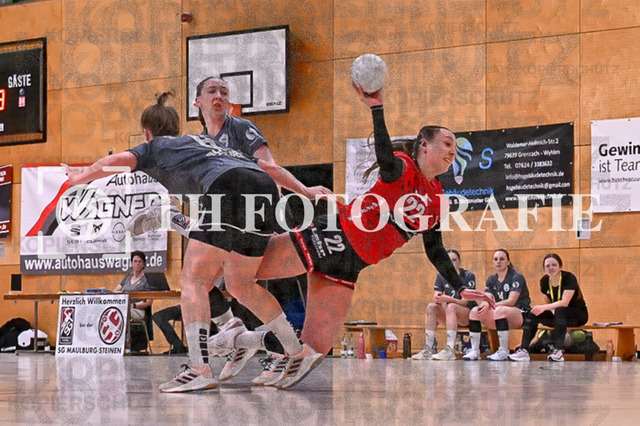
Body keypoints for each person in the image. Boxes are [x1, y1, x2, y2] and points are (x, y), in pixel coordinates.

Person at [210, 84, 495, 388]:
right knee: (240, 276)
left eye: (455, 148)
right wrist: (376, 109)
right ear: (424, 146)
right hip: (331, 236)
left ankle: (247, 342)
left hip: (350, 265)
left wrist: (460, 287)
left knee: (314, 350)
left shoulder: (438, 199)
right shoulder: (402, 166)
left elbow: (435, 248)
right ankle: (228, 323)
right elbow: (385, 158)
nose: (453, 151)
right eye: (447, 143)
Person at [65, 92, 304, 393]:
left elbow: (118, 162)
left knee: (193, 279)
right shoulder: (204, 142)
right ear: (177, 128)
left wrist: (81, 176)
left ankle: (199, 368)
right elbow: (270, 169)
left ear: (146, 132)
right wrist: (306, 191)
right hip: (264, 189)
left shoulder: (157, 147)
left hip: (228, 190)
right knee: (241, 283)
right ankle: (294, 351)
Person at [509, 253, 588, 362]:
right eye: (548, 266)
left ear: (560, 266)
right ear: (544, 268)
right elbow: (550, 304)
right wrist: (543, 309)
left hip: (577, 316)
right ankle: (524, 350)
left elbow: (564, 303)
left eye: (554, 265)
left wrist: (544, 307)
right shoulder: (544, 281)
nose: (551, 268)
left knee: (560, 310)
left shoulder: (569, 278)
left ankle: (558, 351)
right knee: (533, 313)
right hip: (558, 317)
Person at [462, 249, 530, 361]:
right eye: (496, 259)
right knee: (474, 311)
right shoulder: (491, 279)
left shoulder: (516, 276)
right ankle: (475, 351)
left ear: (508, 262)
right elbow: (487, 297)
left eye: (502, 259)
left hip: (520, 313)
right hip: (499, 315)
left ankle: (503, 350)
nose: (498, 261)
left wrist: (492, 305)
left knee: (500, 310)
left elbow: (511, 301)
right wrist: (485, 304)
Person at [412, 249, 476, 361]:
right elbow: (436, 296)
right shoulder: (441, 276)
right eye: (448, 261)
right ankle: (428, 349)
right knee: (431, 307)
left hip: (466, 315)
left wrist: (448, 299)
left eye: (454, 260)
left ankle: (450, 350)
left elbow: (465, 302)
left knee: (451, 306)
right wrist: (437, 298)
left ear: (460, 262)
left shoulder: (468, 275)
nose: (451, 263)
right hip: (449, 314)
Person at [114, 250, 153, 351]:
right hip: (125, 306)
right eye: (135, 261)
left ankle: (125, 343)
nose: (137, 263)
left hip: (138, 309)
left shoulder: (147, 279)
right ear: (131, 263)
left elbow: (149, 302)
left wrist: (134, 305)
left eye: (140, 261)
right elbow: (115, 291)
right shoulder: (127, 278)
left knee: (123, 312)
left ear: (144, 264)